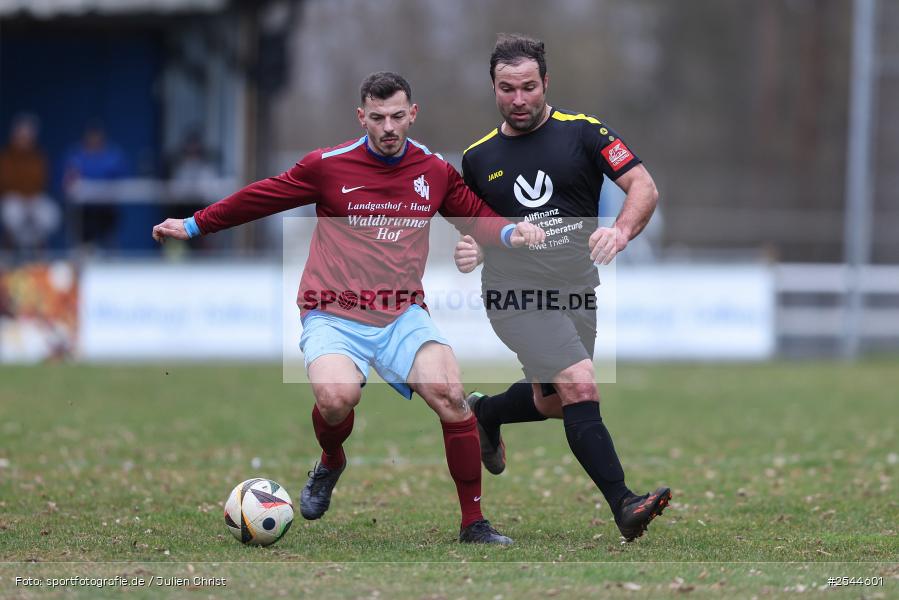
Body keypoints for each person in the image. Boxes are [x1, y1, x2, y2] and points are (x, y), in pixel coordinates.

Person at [152, 72, 545, 544]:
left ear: (412, 114)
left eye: (397, 116)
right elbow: (262, 197)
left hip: (401, 313)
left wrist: (510, 232)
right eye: (377, 118)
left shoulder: (433, 170)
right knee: (337, 399)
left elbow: (474, 214)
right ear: (362, 117)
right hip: (332, 311)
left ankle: (473, 523)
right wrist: (196, 225)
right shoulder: (328, 166)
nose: (388, 127)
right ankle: (332, 459)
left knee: (452, 396)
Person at [454, 34, 669, 542]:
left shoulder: (585, 132)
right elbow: (478, 231)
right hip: (514, 294)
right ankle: (625, 504)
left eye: (529, 86)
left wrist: (619, 230)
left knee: (554, 401)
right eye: (507, 89)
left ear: (546, 82)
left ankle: (485, 412)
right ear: (494, 88)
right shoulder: (478, 157)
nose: (519, 99)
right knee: (580, 384)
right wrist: (472, 249)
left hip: (576, 290)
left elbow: (644, 187)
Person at [0, 114, 60, 257]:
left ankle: (40, 255)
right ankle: (9, 254)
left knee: (49, 213)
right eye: (21, 136)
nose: (24, 140)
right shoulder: (5, 157)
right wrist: (22, 197)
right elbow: (5, 181)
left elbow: (41, 180)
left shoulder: (38, 156)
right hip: (13, 198)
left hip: (34, 198)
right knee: (12, 212)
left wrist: (31, 198)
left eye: (27, 137)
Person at [64, 122, 128, 248]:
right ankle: (85, 249)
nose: (94, 140)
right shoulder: (77, 156)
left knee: (109, 220)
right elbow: (68, 180)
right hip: (85, 207)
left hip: (106, 205)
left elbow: (121, 179)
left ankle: (109, 253)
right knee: (82, 222)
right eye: (91, 137)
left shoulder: (112, 156)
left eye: (97, 137)